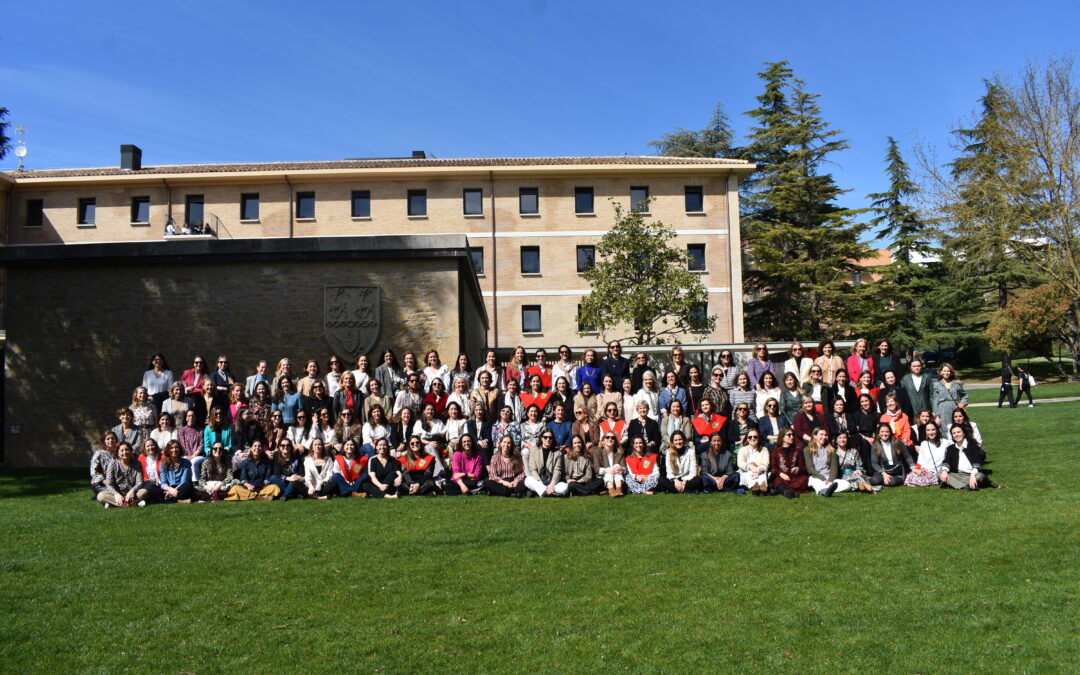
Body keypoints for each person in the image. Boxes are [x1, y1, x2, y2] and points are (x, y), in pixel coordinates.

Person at [939, 424, 992, 490]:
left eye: (958, 432)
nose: (956, 435)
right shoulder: (951, 448)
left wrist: (972, 475)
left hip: (972, 474)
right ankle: (964, 486)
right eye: (954, 433)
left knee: (980, 476)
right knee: (940, 473)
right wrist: (944, 471)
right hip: (958, 475)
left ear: (963, 433)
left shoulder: (972, 445)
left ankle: (953, 483)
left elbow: (977, 463)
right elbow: (946, 462)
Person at [803, 427, 848, 497]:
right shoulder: (807, 450)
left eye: (825, 435)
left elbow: (834, 468)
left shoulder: (832, 450)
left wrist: (830, 481)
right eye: (821, 434)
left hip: (828, 477)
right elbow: (810, 468)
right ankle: (825, 491)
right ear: (815, 436)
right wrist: (822, 479)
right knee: (817, 483)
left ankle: (827, 489)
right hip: (816, 477)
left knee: (846, 484)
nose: (824, 437)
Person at [96, 442, 143, 508]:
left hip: (133, 493)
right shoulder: (113, 463)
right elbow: (109, 483)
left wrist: (132, 491)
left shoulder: (137, 463)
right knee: (101, 496)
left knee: (143, 492)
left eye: (127, 450)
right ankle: (131, 503)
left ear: (131, 452)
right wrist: (116, 494)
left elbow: (139, 482)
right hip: (117, 493)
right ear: (117, 453)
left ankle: (118, 504)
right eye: (122, 451)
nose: (125, 452)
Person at [524, 430, 568, 497]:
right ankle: (547, 491)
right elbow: (533, 469)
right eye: (545, 437)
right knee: (528, 480)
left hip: (551, 481)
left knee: (564, 486)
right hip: (538, 481)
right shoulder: (534, 451)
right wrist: (540, 483)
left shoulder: (558, 453)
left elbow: (557, 471)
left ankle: (541, 491)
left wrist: (552, 484)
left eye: (550, 437)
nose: (548, 439)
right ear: (541, 438)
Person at [869, 423, 914, 488]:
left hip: (897, 471)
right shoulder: (875, 445)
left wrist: (913, 467)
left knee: (892, 482)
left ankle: (884, 481)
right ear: (879, 433)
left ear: (890, 432)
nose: (884, 434)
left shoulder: (897, 442)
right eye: (882, 431)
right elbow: (874, 463)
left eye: (887, 432)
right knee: (875, 480)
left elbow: (907, 455)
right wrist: (884, 474)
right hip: (883, 470)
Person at [906, 420, 946, 487]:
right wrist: (918, 470)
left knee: (920, 480)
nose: (931, 432)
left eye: (933, 430)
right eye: (928, 430)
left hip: (937, 472)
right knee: (910, 477)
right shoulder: (924, 444)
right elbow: (920, 460)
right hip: (925, 470)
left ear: (937, 430)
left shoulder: (945, 442)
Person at [770, 428, 808, 499]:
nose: (792, 437)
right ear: (782, 437)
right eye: (789, 435)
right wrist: (781, 474)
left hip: (795, 478)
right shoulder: (775, 451)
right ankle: (787, 492)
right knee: (777, 480)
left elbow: (803, 467)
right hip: (782, 478)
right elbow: (773, 468)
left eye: (793, 435)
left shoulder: (798, 450)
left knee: (804, 479)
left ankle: (782, 490)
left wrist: (798, 469)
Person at [737, 431, 770, 495]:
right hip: (746, 470)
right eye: (750, 437)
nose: (753, 438)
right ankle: (755, 487)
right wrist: (751, 467)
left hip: (759, 470)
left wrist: (758, 471)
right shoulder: (742, 449)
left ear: (758, 438)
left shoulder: (764, 450)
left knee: (762, 474)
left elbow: (766, 463)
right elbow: (740, 463)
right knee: (748, 473)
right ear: (747, 439)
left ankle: (762, 487)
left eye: (755, 437)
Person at [594, 432, 626, 497]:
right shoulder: (598, 452)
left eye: (612, 438)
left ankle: (618, 489)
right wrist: (606, 470)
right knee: (608, 470)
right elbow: (596, 468)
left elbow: (624, 467)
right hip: (604, 477)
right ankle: (611, 490)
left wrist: (620, 469)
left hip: (617, 477)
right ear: (603, 440)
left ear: (615, 441)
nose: (610, 439)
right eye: (607, 437)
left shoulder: (619, 452)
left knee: (617, 466)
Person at [89, 431, 119, 497]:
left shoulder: (119, 453)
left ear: (116, 440)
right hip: (102, 483)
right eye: (108, 439)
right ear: (104, 441)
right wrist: (105, 482)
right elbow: (94, 471)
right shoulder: (99, 453)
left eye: (112, 438)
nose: (110, 440)